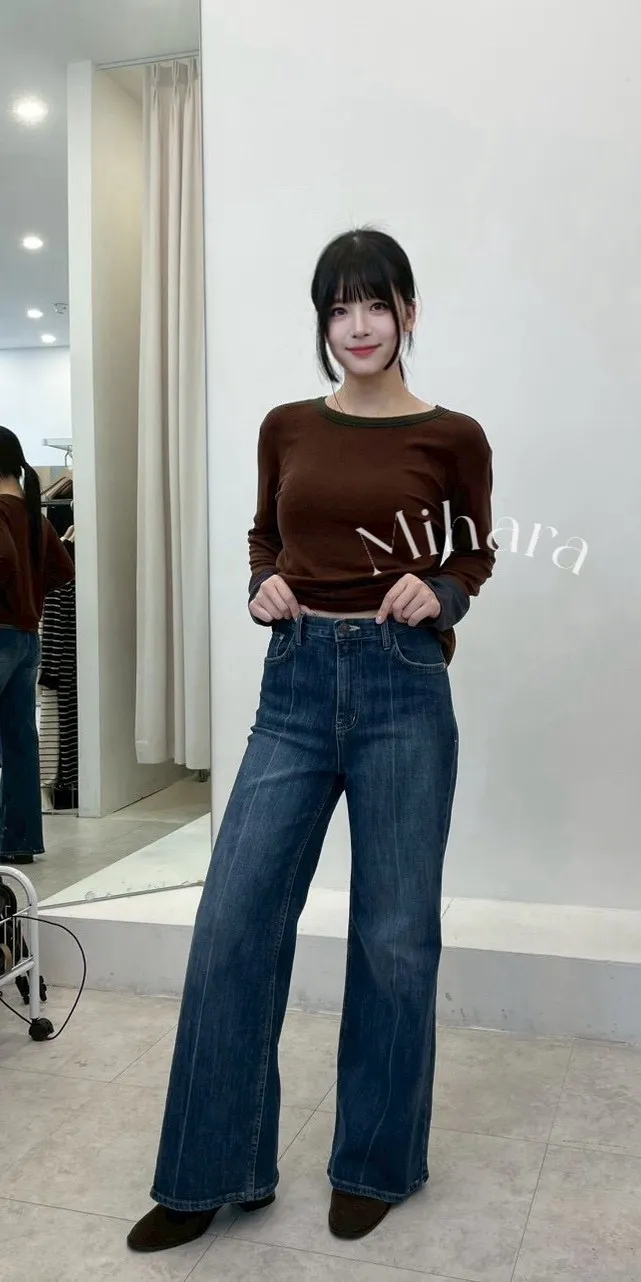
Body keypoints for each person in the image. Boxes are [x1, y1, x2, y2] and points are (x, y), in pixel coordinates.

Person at [128, 227, 495, 1254]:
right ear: (323, 323)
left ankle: (375, 1161)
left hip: (401, 686)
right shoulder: (286, 425)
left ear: (408, 312)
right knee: (233, 922)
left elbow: (473, 548)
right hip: (292, 685)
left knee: (393, 936)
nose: (358, 326)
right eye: (339, 308)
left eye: (375, 304)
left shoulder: (452, 434)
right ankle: (212, 1170)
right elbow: (265, 533)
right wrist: (261, 582)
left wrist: (444, 591)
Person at [0, 427, 75, 863]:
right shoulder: (34, 515)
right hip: (28, 638)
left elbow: (3, 560)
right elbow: (64, 571)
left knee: (18, 742)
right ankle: (20, 842)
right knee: (20, 744)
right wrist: (28, 599)